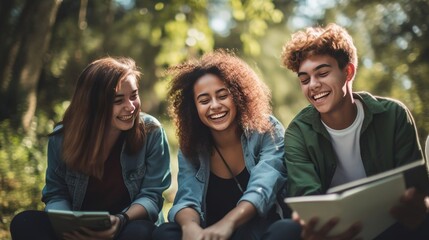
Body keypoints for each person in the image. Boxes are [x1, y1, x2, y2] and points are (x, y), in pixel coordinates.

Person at [263, 23, 429, 240]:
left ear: (348, 72)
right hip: (330, 233)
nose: (312, 85)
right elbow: (307, 199)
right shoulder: (298, 132)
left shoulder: (393, 115)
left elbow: (415, 188)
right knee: (282, 232)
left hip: (393, 225)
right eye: (304, 79)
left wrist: (419, 206)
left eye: (322, 73)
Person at [10, 57, 171, 240]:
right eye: (118, 100)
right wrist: (69, 226)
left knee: (140, 232)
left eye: (133, 96)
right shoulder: (62, 138)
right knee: (24, 222)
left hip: (125, 227)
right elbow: (56, 193)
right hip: (77, 231)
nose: (130, 107)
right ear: (93, 104)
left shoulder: (151, 132)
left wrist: (121, 220)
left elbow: (151, 196)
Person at [152, 49, 287, 240]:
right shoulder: (192, 145)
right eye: (204, 100)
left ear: (239, 96)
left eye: (223, 95)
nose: (214, 105)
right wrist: (190, 228)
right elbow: (187, 198)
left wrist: (228, 223)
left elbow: (264, 187)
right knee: (166, 233)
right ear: (194, 108)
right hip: (210, 234)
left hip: (257, 230)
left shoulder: (266, 129)